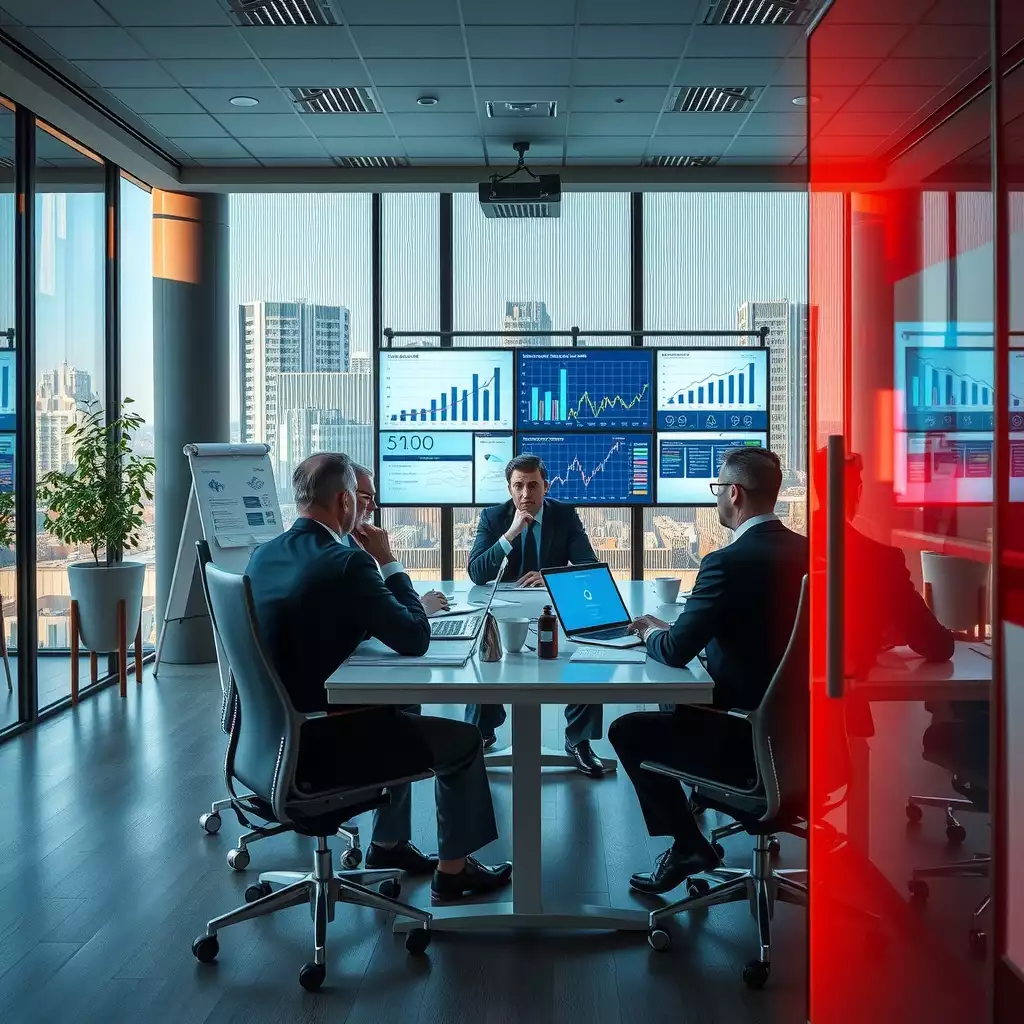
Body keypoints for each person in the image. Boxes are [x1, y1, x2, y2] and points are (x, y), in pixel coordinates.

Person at [246, 452, 512, 903]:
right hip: (325, 745)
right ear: (345, 500)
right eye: (362, 500)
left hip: (268, 741)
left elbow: (320, 618)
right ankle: (454, 872)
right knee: (464, 740)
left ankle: (388, 843)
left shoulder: (263, 555)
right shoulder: (347, 562)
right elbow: (414, 638)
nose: (366, 510)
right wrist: (389, 561)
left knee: (404, 707)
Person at [609, 447, 808, 895]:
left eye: (718, 488)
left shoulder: (726, 562)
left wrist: (649, 633)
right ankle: (697, 817)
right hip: (813, 743)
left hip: (746, 745)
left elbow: (677, 651)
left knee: (627, 730)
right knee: (673, 704)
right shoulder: (816, 555)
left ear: (734, 494)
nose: (717, 497)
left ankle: (687, 844)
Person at [465, 453, 606, 776]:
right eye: (518, 486)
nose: (526, 494)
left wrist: (552, 575)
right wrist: (510, 533)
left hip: (551, 608)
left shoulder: (564, 515)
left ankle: (579, 740)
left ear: (546, 486)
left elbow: (588, 566)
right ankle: (482, 731)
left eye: (532, 485)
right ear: (509, 488)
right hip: (505, 610)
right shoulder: (493, 517)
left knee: (586, 651)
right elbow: (476, 572)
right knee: (486, 650)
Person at [811, 446, 954, 677]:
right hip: (852, 696)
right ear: (858, 492)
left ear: (817, 489)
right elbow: (937, 644)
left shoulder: (796, 547)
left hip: (798, 704)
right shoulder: (882, 559)